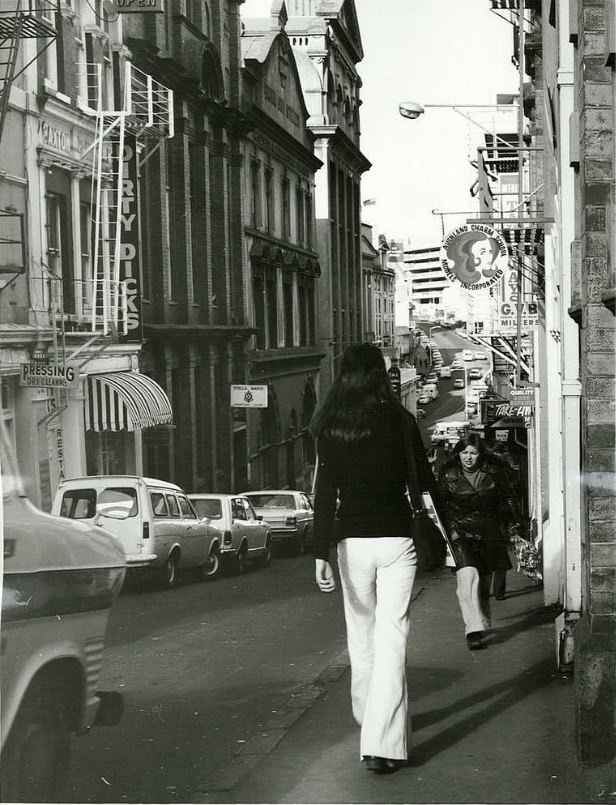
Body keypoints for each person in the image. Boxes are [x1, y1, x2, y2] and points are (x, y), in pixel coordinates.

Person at [310, 343, 437, 775]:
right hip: (397, 539)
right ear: (381, 375)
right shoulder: (400, 420)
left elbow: (324, 494)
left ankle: (368, 719)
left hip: (352, 544)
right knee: (392, 637)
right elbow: (426, 483)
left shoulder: (329, 425)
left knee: (361, 638)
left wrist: (320, 553)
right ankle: (381, 741)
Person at [437, 432, 523, 650]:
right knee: (468, 578)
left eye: (473, 453)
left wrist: (515, 524)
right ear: (458, 454)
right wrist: (449, 531)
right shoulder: (448, 474)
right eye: (464, 452)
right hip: (460, 532)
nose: (468, 457)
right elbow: (440, 506)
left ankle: (482, 621)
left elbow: (508, 497)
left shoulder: (494, 470)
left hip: (489, 530)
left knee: (483, 583)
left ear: (480, 454)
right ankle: (472, 628)